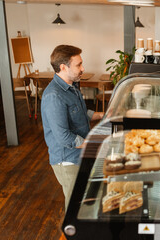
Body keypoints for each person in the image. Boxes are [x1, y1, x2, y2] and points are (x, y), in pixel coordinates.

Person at [41, 45, 104, 209]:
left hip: (79, 153)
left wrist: (102, 115)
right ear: (63, 67)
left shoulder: (72, 86)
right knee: (75, 208)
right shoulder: (53, 96)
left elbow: (80, 113)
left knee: (85, 200)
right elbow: (64, 137)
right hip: (68, 160)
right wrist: (96, 144)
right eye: (78, 65)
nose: (83, 69)